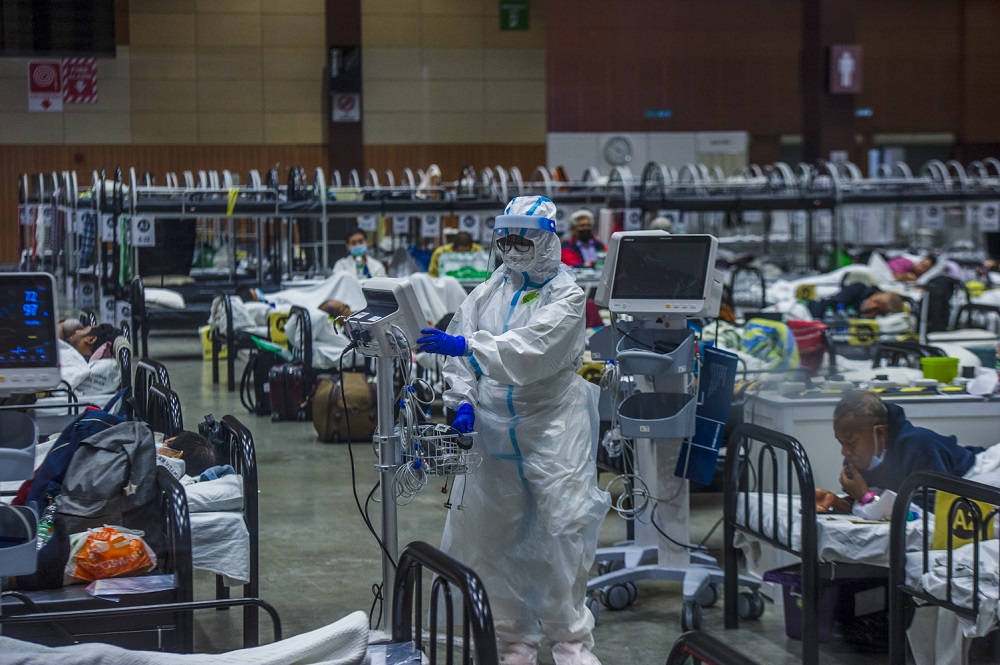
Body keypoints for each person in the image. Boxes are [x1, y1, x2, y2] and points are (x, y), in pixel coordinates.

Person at [417, 195, 609, 665]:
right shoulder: (490, 289)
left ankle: (569, 641)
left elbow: (531, 349)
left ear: (547, 240)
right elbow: (462, 360)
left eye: (523, 238)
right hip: (494, 429)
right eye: (506, 238)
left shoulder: (567, 295)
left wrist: (467, 345)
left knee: (563, 530)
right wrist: (461, 403)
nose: (512, 247)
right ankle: (513, 640)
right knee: (493, 536)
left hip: (553, 425)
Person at [814, 391, 985, 517]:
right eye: (841, 443)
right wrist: (838, 502)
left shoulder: (921, 448)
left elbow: (930, 515)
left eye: (850, 443)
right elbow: (871, 505)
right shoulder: (857, 461)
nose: (844, 452)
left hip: (982, 479)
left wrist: (864, 496)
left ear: (880, 433)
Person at [806, 283, 905, 319]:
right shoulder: (858, 289)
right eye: (876, 301)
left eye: (877, 308)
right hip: (815, 310)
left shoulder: (875, 317)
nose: (871, 305)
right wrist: (858, 312)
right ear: (877, 293)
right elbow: (833, 304)